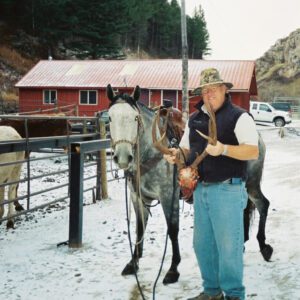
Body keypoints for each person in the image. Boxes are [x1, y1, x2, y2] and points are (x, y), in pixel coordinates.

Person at [164, 68, 259, 300]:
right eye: (205, 90)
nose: (209, 94)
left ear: (225, 90)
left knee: (229, 248)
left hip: (228, 189)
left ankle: (234, 295)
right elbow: (188, 149)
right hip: (202, 190)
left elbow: (252, 150)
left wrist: (224, 149)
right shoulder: (195, 119)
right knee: (203, 246)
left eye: (214, 89)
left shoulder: (239, 116)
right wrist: (177, 154)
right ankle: (212, 292)